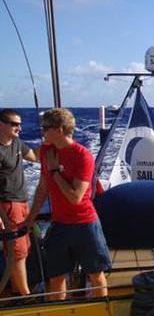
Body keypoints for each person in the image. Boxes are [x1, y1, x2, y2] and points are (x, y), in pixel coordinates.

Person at [23, 108, 111, 300]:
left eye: (46, 128)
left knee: (96, 276)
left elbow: (75, 197)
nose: (42, 132)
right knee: (56, 278)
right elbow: (42, 188)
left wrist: (55, 172)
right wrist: (30, 219)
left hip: (85, 224)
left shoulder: (83, 156)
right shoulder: (47, 151)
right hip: (60, 224)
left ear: (60, 130)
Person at [0, 109, 38, 296]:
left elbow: (35, 157)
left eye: (19, 124)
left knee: (25, 246)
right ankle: (25, 296)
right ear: (2, 124)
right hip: (7, 206)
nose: (19, 128)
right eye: (14, 124)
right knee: (17, 251)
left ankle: (17, 291)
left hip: (22, 203)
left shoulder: (17, 144)